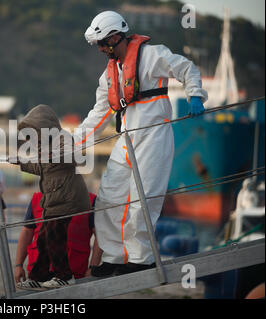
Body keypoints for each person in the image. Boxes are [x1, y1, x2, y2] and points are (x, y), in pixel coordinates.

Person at [78, 11, 208, 277]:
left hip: (154, 136)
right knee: (108, 199)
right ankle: (115, 257)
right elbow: (98, 114)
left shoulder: (152, 55)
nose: (101, 49)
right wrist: (71, 143)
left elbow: (186, 68)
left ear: (115, 37)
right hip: (127, 138)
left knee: (142, 200)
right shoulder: (110, 74)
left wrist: (195, 94)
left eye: (103, 43)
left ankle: (141, 259)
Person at [14, 104, 91, 288]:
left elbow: (75, 158)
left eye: (35, 130)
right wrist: (18, 161)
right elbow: (39, 167)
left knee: (55, 238)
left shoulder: (64, 137)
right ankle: (37, 277)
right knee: (43, 240)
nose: (33, 136)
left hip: (67, 198)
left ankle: (64, 275)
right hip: (53, 201)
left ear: (45, 126)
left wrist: (51, 154)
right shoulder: (43, 145)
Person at [14, 191, 103, 290]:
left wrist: (92, 267)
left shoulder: (90, 200)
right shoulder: (37, 198)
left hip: (73, 274)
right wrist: (19, 265)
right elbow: (27, 232)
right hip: (38, 275)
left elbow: (100, 235)